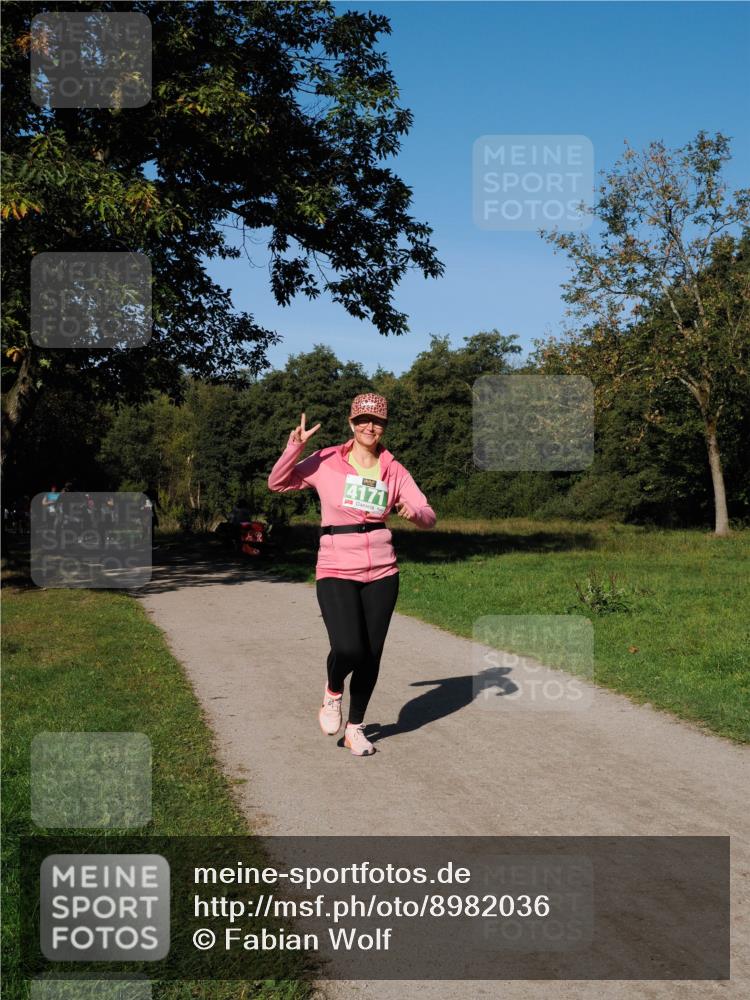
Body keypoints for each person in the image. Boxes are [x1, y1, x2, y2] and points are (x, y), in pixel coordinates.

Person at [267, 392, 436, 757]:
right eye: (362, 419)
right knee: (348, 647)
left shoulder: (393, 469)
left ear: (385, 426)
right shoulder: (327, 460)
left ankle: (355, 728)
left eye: (376, 421)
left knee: (371, 656)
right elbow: (278, 483)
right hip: (336, 567)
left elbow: (427, 513)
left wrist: (415, 514)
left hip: (382, 571)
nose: (369, 426)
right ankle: (332, 692)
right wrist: (293, 448)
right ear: (351, 423)